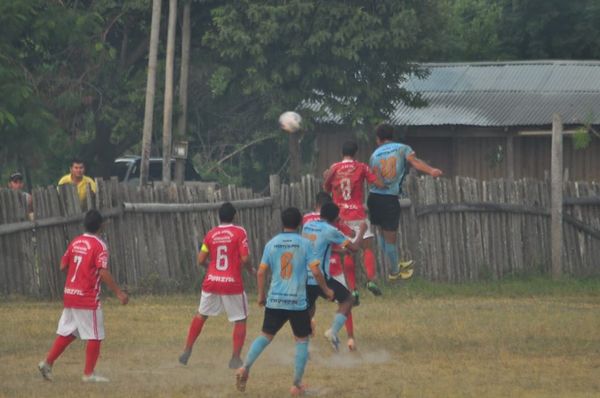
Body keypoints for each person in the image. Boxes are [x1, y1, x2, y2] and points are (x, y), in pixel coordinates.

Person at [235, 207, 333, 396]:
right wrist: (327, 290)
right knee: (302, 341)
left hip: (275, 300)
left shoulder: (272, 243)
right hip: (297, 302)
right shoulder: (305, 244)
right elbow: (315, 271)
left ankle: (244, 368)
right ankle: (296, 385)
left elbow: (262, 272)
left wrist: (261, 296)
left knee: (265, 336)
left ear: (282, 222)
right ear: (299, 224)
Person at [38, 209, 129, 382]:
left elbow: (63, 266)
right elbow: (102, 271)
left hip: (70, 294)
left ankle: (47, 363)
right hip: (87, 297)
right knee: (95, 335)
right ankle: (88, 374)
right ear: (101, 226)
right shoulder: (99, 245)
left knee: (69, 332)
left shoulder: (76, 242)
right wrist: (119, 293)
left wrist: (76, 280)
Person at [179, 202, 254, 369]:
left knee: (201, 315)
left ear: (219, 217)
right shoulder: (239, 232)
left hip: (211, 280)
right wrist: (250, 270)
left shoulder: (211, 234)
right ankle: (235, 357)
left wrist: (212, 268)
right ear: (234, 216)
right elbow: (245, 258)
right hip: (231, 282)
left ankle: (187, 350)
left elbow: (200, 260)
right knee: (240, 319)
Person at [367, 123, 442, 280]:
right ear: (392, 135)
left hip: (373, 197)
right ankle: (394, 271)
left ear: (378, 139)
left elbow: (375, 178)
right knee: (391, 237)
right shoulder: (402, 148)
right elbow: (415, 162)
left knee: (381, 232)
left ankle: (394, 263)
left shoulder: (374, 155)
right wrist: (431, 170)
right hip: (389, 198)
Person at [323, 140, 386, 299]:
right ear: (355, 153)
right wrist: (378, 172)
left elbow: (326, 188)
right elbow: (378, 184)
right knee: (367, 249)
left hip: (340, 217)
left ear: (341, 153)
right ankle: (371, 280)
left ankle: (354, 290)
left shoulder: (334, 168)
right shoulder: (362, 167)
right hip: (358, 214)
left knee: (348, 253)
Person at [303, 202, 366, 352]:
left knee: (309, 309)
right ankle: (333, 331)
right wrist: (362, 231)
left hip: (304, 276)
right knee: (348, 299)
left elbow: (317, 247)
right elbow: (355, 248)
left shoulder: (308, 226)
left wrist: (338, 252)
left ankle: (304, 346)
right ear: (336, 218)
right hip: (320, 278)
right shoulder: (331, 230)